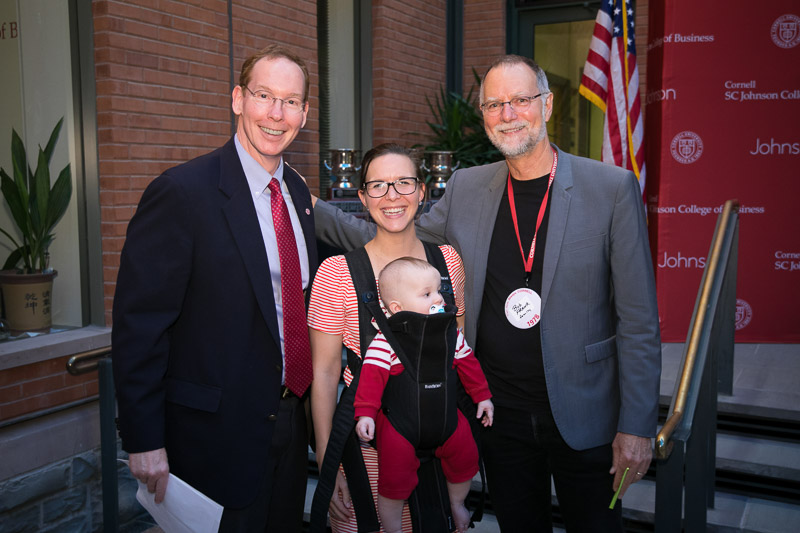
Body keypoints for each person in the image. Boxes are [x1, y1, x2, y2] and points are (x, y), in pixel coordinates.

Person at [313, 54, 662, 531]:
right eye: (495, 104)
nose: (508, 113)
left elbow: (639, 321)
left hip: (587, 417)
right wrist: (307, 202)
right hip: (500, 418)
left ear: (548, 103)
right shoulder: (466, 188)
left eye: (521, 100)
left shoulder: (612, 189)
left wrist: (637, 424)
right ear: (483, 116)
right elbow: (396, 235)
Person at [112, 44, 317, 532]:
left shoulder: (300, 195)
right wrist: (143, 438)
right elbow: (140, 325)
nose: (275, 113)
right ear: (237, 99)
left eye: (291, 102)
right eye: (264, 95)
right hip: (212, 442)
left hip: (290, 428)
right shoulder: (182, 193)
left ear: (305, 115)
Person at [308, 143, 471, 532]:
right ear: (362, 197)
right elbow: (326, 375)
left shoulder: (447, 262)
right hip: (365, 454)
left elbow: (457, 352)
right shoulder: (335, 273)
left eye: (403, 183)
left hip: (436, 451)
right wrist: (330, 469)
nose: (392, 196)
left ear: (422, 192)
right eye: (378, 186)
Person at [354, 257, 494, 533]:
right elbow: (371, 379)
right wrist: (365, 414)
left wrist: (483, 397)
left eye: (438, 291)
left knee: (466, 456)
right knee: (394, 480)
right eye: (427, 294)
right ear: (397, 308)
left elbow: (468, 365)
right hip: (400, 426)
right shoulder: (386, 341)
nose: (438, 299)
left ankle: (457, 503)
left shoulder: (449, 334)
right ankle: (392, 527)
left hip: (445, 420)